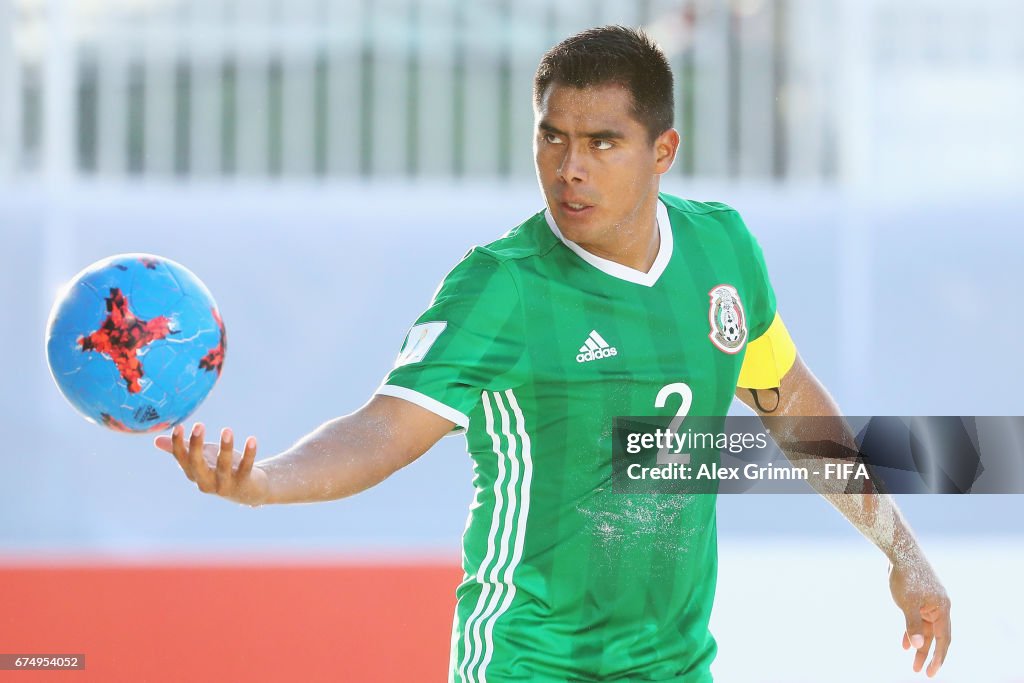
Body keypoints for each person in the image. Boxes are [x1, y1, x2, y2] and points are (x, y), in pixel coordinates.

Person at [155, 25, 951, 682]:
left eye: (602, 143)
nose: (569, 168)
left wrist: (902, 553)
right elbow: (382, 429)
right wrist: (264, 482)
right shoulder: (501, 286)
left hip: (675, 665)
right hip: (529, 657)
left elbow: (795, 409)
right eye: (553, 138)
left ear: (662, 149)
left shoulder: (723, 250)